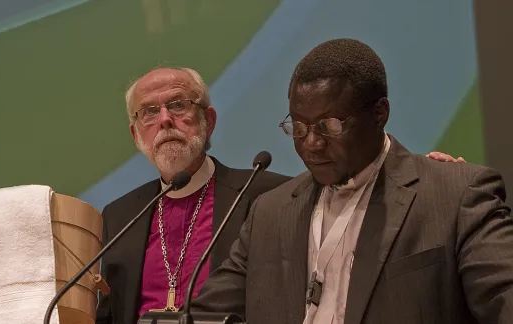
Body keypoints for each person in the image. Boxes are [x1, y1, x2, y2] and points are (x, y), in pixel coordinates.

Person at [191, 39, 513, 324]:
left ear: (379, 113)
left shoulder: (453, 196)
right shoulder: (269, 214)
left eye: (329, 126)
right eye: (299, 127)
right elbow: (204, 315)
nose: (312, 144)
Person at [95, 67, 292, 324]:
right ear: (135, 135)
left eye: (177, 105)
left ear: (208, 121)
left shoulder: (265, 195)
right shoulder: (119, 216)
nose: (164, 119)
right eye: (150, 112)